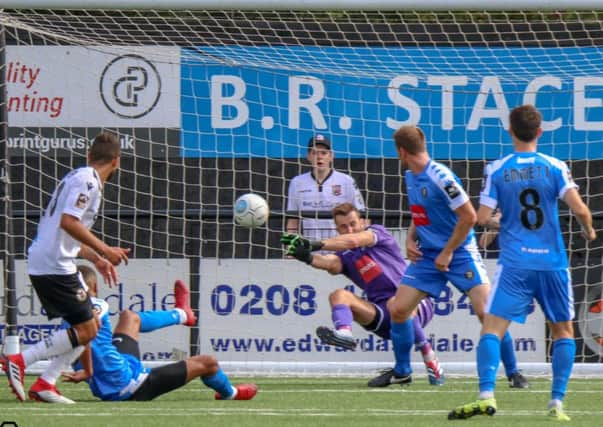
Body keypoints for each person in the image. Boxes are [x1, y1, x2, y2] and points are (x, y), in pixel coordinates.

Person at [449, 105, 597, 421]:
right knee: (563, 332)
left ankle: (487, 395)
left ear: (510, 131)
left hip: (515, 263)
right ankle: (556, 402)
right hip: (552, 263)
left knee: (492, 328)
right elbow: (581, 210)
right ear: (539, 132)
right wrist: (588, 230)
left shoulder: (497, 169)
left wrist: (507, 223)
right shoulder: (555, 166)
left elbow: (483, 217)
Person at [385, 125, 529, 391]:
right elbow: (420, 213)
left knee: (487, 313)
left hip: (459, 252)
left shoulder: (442, 177)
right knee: (398, 308)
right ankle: (403, 371)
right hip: (429, 256)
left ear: (401, 151)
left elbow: (470, 217)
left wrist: (448, 251)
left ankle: (514, 373)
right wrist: (409, 238)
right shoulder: (410, 176)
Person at [2, 132, 131, 402]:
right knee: (87, 329)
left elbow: (69, 232)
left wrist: (96, 259)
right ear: (117, 161)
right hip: (54, 264)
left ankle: (46, 383)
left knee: (91, 324)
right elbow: (68, 222)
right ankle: (21, 361)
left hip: (54, 260)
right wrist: (105, 249)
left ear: (89, 155)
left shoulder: (79, 176)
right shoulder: (88, 181)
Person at [281, 202, 445, 386]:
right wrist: (306, 256)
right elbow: (329, 263)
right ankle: (344, 334)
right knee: (338, 296)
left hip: (416, 303)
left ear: (362, 221)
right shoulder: (346, 256)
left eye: (353, 223)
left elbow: (355, 240)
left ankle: (429, 357)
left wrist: (314, 244)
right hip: (382, 316)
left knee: (396, 302)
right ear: (337, 229)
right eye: (343, 227)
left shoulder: (377, 233)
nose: (349, 229)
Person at [59, 266, 257, 402]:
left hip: (120, 367)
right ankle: (231, 393)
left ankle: (182, 313)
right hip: (132, 386)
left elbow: (78, 346)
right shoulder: (98, 305)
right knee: (209, 363)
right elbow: (88, 340)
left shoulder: (65, 318)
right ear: (94, 289)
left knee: (130, 317)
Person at [286, 134, 366, 240]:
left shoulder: (346, 181)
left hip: (341, 248)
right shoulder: (297, 183)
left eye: (324, 153)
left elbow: (362, 217)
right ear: (308, 156)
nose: (319, 157)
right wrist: (290, 251)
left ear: (331, 156)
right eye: (314, 153)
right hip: (311, 248)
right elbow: (292, 221)